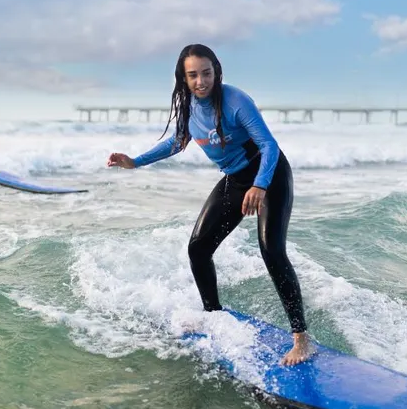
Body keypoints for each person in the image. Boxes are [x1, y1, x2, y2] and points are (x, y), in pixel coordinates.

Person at [107, 43, 314, 366]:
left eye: (206, 73)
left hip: (268, 174)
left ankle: (301, 338)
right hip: (235, 179)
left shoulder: (236, 101)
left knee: (271, 250)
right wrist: (136, 161)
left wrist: (260, 185)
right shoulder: (189, 106)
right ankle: (213, 316)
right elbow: (177, 142)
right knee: (198, 248)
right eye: (193, 75)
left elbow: (269, 146)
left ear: (217, 72)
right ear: (184, 78)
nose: (201, 81)